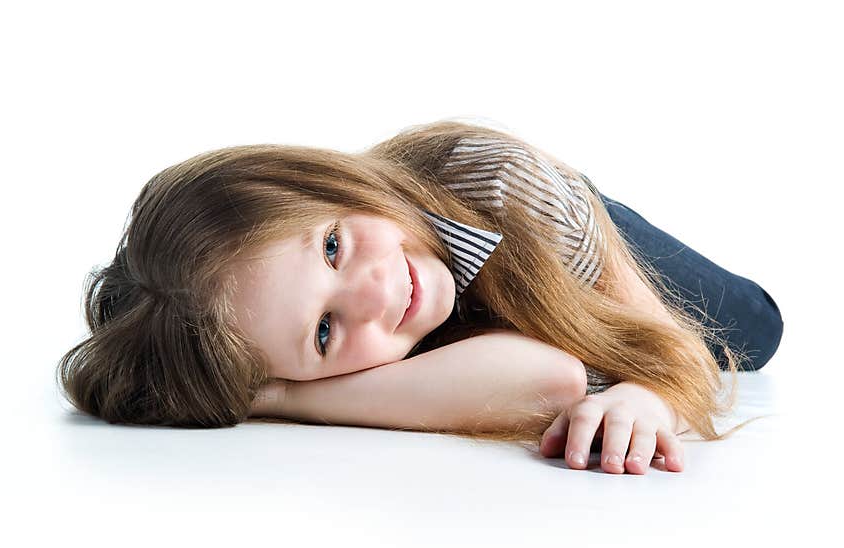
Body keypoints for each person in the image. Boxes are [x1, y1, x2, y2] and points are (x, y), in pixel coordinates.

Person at [57, 119, 783, 475]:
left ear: (328, 184)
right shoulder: (353, 348)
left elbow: (664, 357)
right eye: (323, 333)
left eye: (334, 246)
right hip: (517, 297)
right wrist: (277, 397)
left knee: (750, 333)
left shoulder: (504, 184)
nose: (376, 295)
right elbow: (550, 380)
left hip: (571, 240)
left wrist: (649, 393)